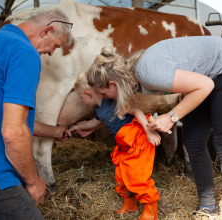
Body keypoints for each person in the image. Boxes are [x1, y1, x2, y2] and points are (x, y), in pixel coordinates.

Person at [86, 36, 222, 220]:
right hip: (205, 77)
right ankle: (207, 206)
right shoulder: (136, 79)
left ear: (113, 85)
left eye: (103, 93)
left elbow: (205, 85)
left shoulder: (147, 73)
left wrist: (172, 117)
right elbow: (195, 80)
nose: (105, 99)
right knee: (194, 140)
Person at [0, 7, 72, 220]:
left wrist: (54, 132)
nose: (51, 52)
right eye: (55, 45)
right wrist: (33, 181)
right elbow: (13, 132)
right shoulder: (22, 51)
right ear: (46, 31)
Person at [68, 72, 161, 219]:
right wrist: (78, 127)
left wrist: (148, 130)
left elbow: (136, 110)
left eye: (81, 97)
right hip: (124, 144)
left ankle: (151, 210)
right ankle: (130, 205)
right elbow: (96, 122)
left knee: (138, 176)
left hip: (137, 139)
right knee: (121, 175)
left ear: (88, 94)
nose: (82, 100)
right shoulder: (100, 110)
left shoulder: (112, 101)